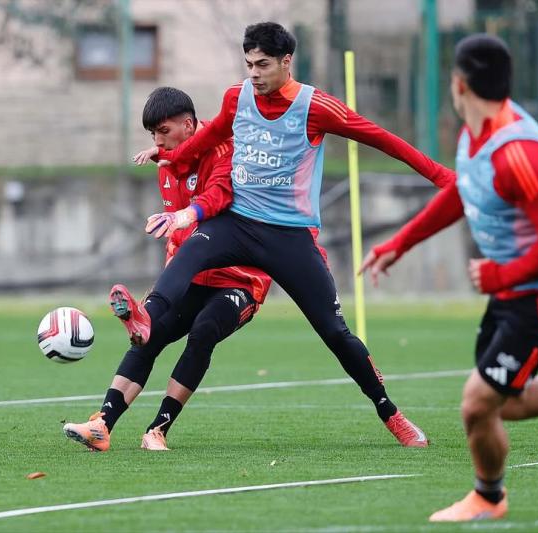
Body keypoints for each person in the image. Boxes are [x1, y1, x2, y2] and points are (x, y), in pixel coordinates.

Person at [119, 22, 458, 447]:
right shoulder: (235, 98)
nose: (254, 74)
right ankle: (146, 316)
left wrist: (444, 178)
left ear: (286, 61)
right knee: (189, 248)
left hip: (290, 236)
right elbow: (205, 139)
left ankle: (391, 413)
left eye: (262, 64)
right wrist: (168, 153)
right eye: (248, 64)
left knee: (335, 333)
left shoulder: (315, 107)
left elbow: (384, 140)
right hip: (238, 223)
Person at [359, 33, 538, 521]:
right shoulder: (475, 134)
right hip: (514, 290)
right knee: (504, 403)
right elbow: (462, 193)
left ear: (459, 84)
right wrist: (398, 243)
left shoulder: (521, 151)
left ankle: (488, 497)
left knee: (477, 404)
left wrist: (499, 273)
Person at [63, 87, 271, 452]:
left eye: (163, 132)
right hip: (191, 276)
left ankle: (157, 429)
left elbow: (215, 200)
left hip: (239, 278)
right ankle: (102, 425)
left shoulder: (227, 152)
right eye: (153, 135)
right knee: (148, 333)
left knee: (204, 330)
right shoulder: (168, 165)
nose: (158, 141)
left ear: (189, 126)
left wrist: (184, 216)